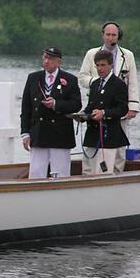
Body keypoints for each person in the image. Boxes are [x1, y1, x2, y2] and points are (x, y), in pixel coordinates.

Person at [78, 21, 139, 172]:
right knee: (93, 148)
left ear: (118, 37)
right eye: (108, 35)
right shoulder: (91, 54)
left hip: (120, 104)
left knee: (119, 148)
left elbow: (133, 82)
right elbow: (82, 77)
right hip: (97, 102)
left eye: (114, 35)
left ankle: (117, 174)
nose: (111, 38)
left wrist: (133, 106)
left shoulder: (128, 55)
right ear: (102, 35)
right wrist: (99, 83)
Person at [20, 47, 82, 179]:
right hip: (38, 132)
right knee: (36, 173)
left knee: (61, 174)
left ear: (59, 62)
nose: (47, 61)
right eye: (45, 58)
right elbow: (26, 108)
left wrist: (56, 104)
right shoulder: (33, 78)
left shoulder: (70, 79)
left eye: (51, 59)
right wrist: (25, 133)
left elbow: (76, 105)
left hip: (60, 133)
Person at [81, 50, 129, 175]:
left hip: (109, 136)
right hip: (91, 135)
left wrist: (104, 113)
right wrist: (82, 115)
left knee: (103, 173)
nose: (100, 68)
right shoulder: (95, 84)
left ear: (111, 65)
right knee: (87, 171)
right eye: (97, 65)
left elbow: (123, 109)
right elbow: (91, 106)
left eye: (103, 65)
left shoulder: (119, 84)